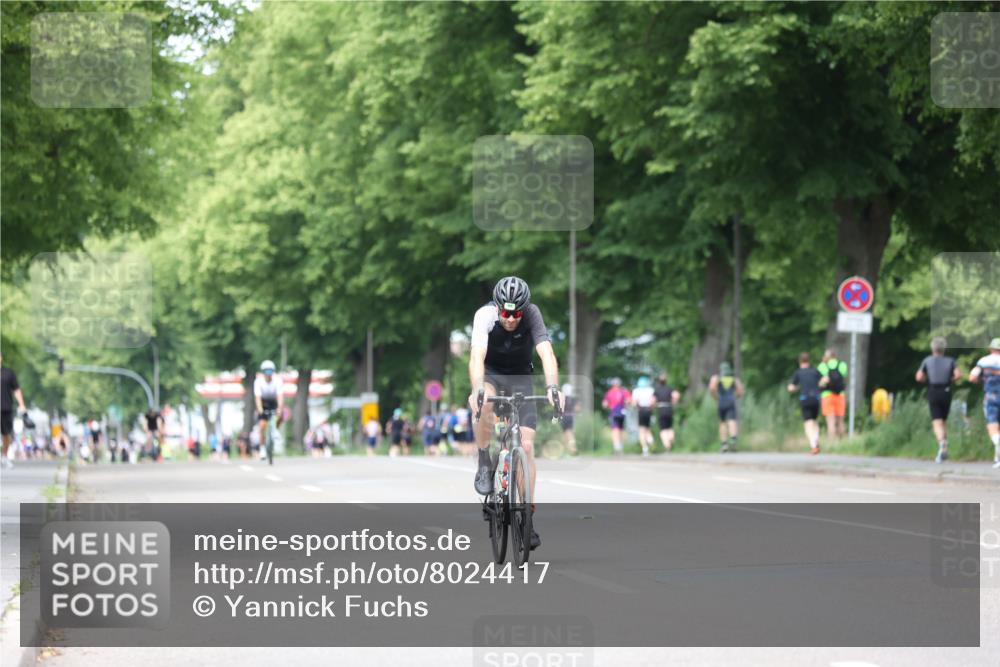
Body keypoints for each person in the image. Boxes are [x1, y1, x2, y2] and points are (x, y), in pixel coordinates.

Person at [468, 276, 562, 552]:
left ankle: (527, 516)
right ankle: (485, 461)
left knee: (527, 445)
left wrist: (553, 387)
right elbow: (476, 357)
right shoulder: (484, 315)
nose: (510, 319)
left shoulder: (532, 314)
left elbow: (546, 354)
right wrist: (477, 389)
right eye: (506, 313)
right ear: (497, 307)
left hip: (521, 378)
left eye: (516, 313)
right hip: (492, 375)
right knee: (484, 404)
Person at [916, 337, 962, 463]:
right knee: (943, 420)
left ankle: (942, 443)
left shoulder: (927, 361)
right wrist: (950, 380)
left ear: (932, 348)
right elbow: (958, 375)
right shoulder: (951, 361)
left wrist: (926, 379)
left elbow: (919, 376)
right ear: (944, 349)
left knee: (937, 421)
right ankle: (944, 450)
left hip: (933, 391)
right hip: (946, 391)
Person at [968, 337, 1000, 469]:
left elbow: (973, 377)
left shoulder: (983, 361)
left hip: (991, 396)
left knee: (992, 424)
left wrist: (981, 380)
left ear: (991, 348)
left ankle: (997, 444)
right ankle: (997, 457)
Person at [788, 352, 823, 455]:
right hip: (816, 398)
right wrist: (818, 386)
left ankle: (813, 445)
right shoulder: (815, 371)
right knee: (814, 421)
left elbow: (790, 388)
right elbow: (824, 380)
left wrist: (797, 387)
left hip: (805, 399)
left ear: (800, 361)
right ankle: (816, 438)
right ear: (809, 361)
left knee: (808, 423)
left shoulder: (798, 373)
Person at [1, 354, 29, 469]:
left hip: (6, 408)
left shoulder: (9, 373)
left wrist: (22, 404)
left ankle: (4, 457)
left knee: (7, 434)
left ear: (2, 358)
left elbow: (16, 389)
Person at [709, 362, 744, 452]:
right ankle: (733, 440)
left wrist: (716, 397)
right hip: (731, 401)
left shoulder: (717, 378)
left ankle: (724, 444)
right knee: (732, 421)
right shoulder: (734, 379)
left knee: (722, 422)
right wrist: (735, 396)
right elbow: (740, 390)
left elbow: (712, 388)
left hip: (721, 402)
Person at [253, 360, 284, 460]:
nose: (268, 374)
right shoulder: (258, 382)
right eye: (266, 372)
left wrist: (279, 408)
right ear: (263, 372)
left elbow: (280, 396)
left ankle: (275, 430)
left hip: (274, 401)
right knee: (262, 425)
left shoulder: (278, 381)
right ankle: (262, 448)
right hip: (263, 402)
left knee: (280, 414)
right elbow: (258, 398)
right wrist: (260, 409)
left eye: (270, 371)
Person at [818, 348, 848, 440]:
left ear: (827, 356)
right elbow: (844, 376)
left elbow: (821, 382)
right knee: (840, 420)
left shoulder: (822, 366)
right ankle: (843, 443)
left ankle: (831, 443)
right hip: (840, 395)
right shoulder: (842, 365)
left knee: (830, 421)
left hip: (827, 395)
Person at [602, 378, 631, 455]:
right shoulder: (624, 391)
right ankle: (620, 447)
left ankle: (616, 447)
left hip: (614, 413)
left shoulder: (609, 392)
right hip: (622, 413)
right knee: (621, 430)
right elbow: (628, 401)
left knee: (615, 429)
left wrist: (609, 406)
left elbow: (604, 404)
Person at [654, 373, 681, 452]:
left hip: (661, 409)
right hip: (669, 408)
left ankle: (667, 446)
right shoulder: (669, 388)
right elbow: (676, 395)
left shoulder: (657, 390)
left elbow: (653, 400)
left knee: (663, 429)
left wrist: (654, 406)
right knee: (669, 427)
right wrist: (674, 403)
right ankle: (671, 439)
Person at [632, 376, 656, 456]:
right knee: (648, 429)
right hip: (648, 410)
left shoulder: (636, 391)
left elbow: (634, 403)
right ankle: (651, 442)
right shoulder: (651, 390)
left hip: (641, 410)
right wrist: (651, 408)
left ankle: (645, 449)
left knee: (642, 430)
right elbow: (653, 401)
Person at [559, 383, 579, 455]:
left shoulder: (561, 398)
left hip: (563, 417)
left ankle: (565, 450)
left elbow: (559, 409)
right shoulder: (573, 399)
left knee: (564, 433)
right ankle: (572, 448)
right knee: (570, 433)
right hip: (570, 417)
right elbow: (577, 408)